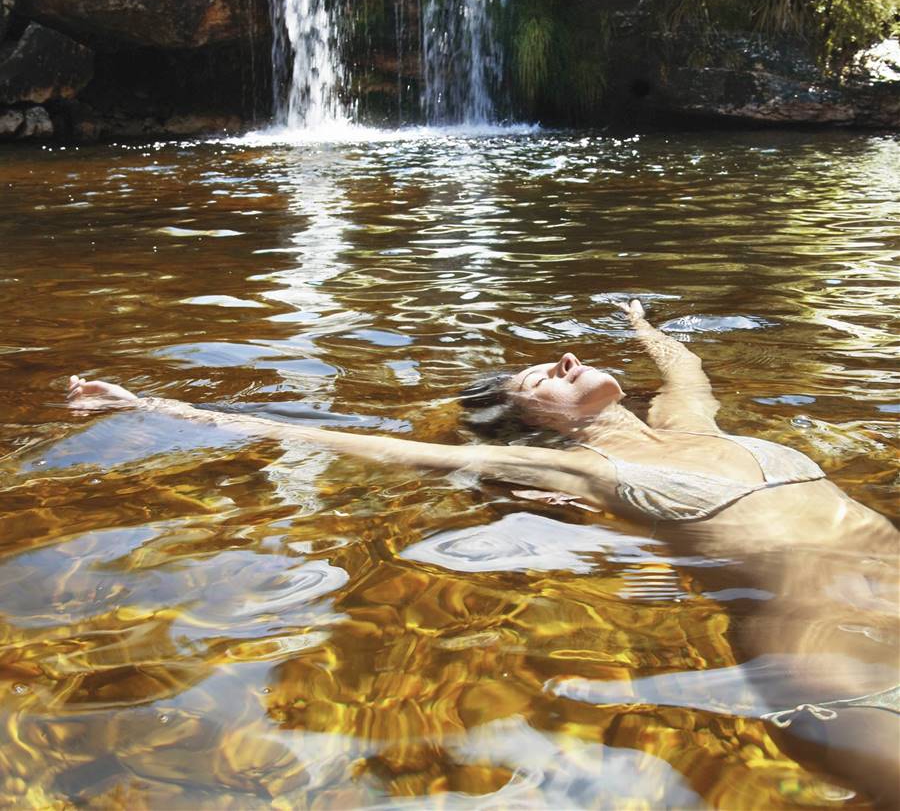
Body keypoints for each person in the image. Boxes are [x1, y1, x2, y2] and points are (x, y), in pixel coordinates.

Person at [65, 300, 899, 805]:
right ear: (535, 424)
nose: (564, 360)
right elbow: (369, 448)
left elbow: (689, 368)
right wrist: (149, 402)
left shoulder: (690, 425)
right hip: (819, 641)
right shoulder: (575, 469)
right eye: (542, 376)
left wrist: (641, 323)